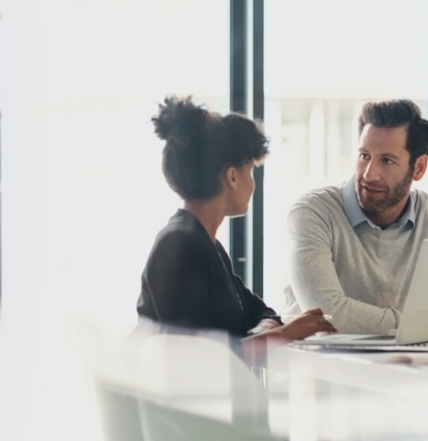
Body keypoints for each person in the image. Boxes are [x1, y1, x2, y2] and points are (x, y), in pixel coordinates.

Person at [284, 98, 428, 334]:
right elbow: (326, 314)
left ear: (418, 168)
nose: (369, 174)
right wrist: (426, 323)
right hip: (322, 369)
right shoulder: (313, 212)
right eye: (364, 156)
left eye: (387, 160)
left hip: (410, 368)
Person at [137, 96, 336, 341]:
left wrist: (266, 328)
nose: (252, 183)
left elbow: (261, 311)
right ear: (232, 177)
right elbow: (195, 355)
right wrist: (283, 334)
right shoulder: (179, 244)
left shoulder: (207, 244)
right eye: (250, 170)